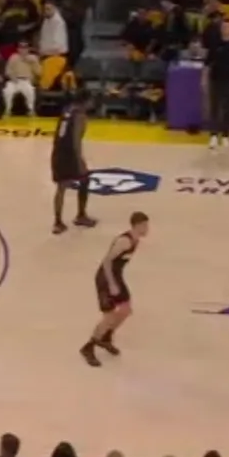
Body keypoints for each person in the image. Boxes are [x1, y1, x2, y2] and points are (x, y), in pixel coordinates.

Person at [80, 212, 149, 367]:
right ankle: (88, 347)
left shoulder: (135, 240)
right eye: (144, 225)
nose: (147, 229)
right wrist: (111, 284)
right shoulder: (125, 241)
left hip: (116, 277)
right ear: (137, 226)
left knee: (126, 310)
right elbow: (107, 261)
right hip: (106, 279)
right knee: (109, 316)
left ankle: (106, 337)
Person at [50, 89, 96, 234]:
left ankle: (57, 222)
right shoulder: (80, 115)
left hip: (57, 152)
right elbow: (76, 140)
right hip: (70, 154)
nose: (93, 103)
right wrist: (79, 160)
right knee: (85, 179)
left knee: (61, 187)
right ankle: (81, 215)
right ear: (86, 101)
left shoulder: (67, 110)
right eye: (91, 100)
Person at [203, 19, 229, 149]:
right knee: (215, 107)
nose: (224, 29)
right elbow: (207, 63)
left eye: (227, 27)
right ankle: (213, 135)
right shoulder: (215, 42)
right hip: (216, 78)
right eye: (223, 27)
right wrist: (203, 79)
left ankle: (226, 135)